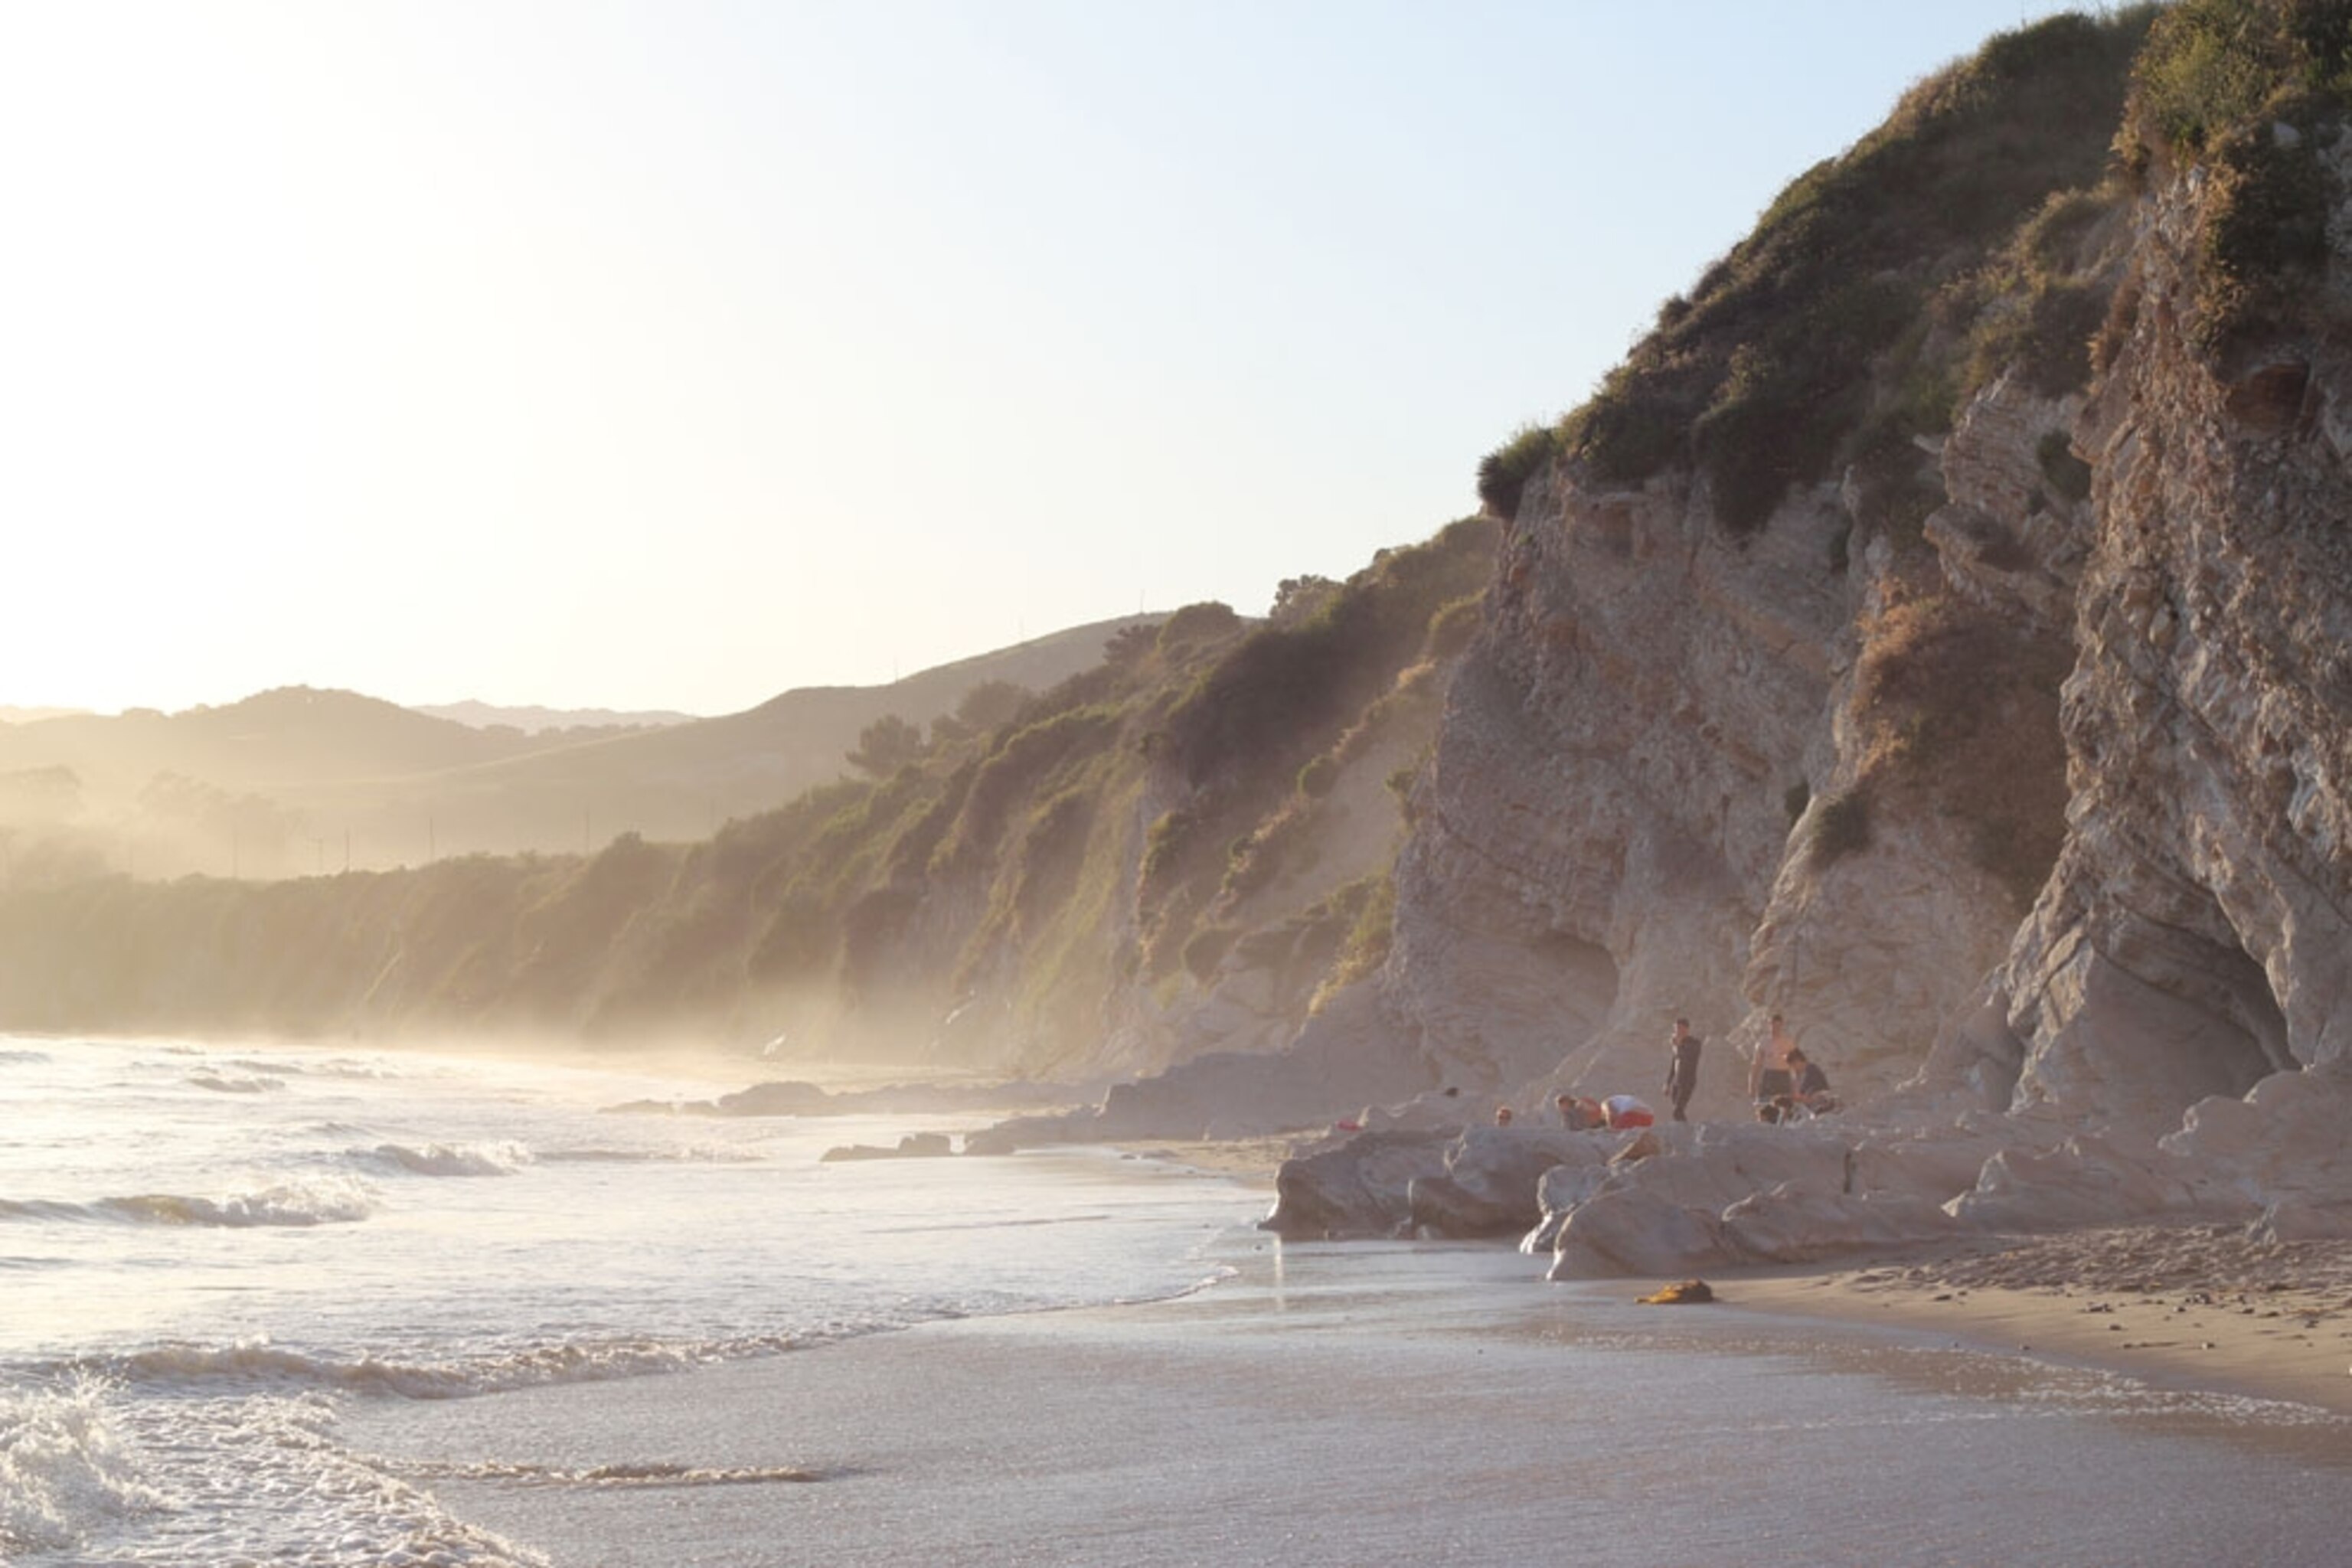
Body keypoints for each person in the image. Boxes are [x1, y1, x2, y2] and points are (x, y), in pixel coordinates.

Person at [1751, 1011, 1798, 1105]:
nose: (1775, 1028)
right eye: (1773, 1025)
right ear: (1769, 1025)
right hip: (1769, 1075)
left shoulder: (1788, 1044)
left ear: (1782, 1026)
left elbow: (1795, 1065)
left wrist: (1796, 1085)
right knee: (1765, 1105)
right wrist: (1752, 1084)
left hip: (1784, 1076)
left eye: (1778, 1026)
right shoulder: (1763, 1043)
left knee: (1786, 1105)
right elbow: (1756, 1064)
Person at [1664, 1017, 1704, 1122]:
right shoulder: (1677, 1045)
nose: (1677, 1031)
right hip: (1677, 1081)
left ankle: (1685, 1131)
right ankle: (1683, 1129)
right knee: (1677, 1110)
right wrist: (1668, 1083)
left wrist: (1679, 1045)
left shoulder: (1694, 1043)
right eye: (1676, 1029)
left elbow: (1690, 1057)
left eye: (1680, 1028)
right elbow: (1674, 1064)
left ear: (1686, 1029)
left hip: (1688, 1081)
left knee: (1677, 1112)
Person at [1788, 1048, 1836, 1114]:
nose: (1794, 1068)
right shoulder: (1802, 1073)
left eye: (1793, 1065)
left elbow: (1815, 1092)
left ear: (1798, 1061)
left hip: (1822, 1105)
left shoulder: (1812, 1070)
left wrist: (1802, 1097)